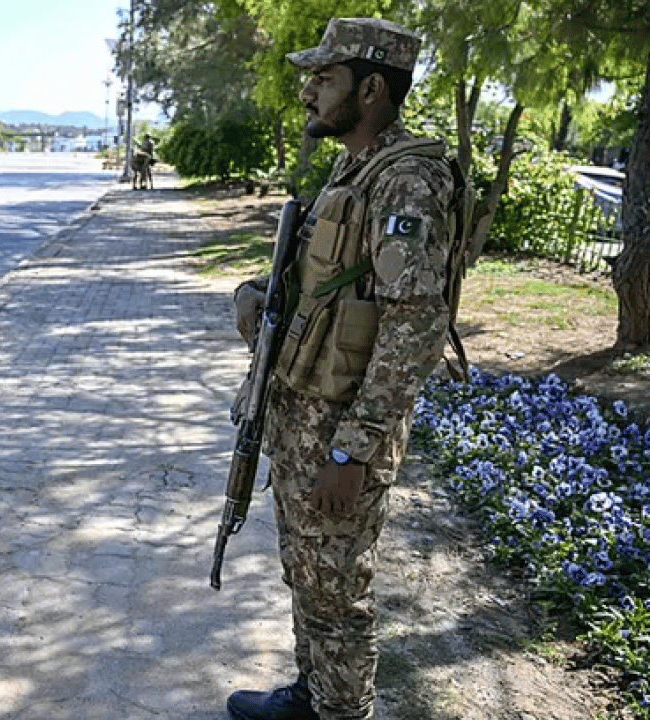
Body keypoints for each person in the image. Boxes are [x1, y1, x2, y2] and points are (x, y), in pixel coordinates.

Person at [228, 18, 457, 720]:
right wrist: (259, 295)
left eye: (324, 79)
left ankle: (340, 712)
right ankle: (311, 695)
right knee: (308, 576)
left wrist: (351, 449)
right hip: (302, 411)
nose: (308, 93)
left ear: (371, 88)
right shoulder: (353, 168)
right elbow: (329, 285)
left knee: (339, 593)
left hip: (339, 431)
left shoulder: (409, 181)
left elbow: (414, 326)